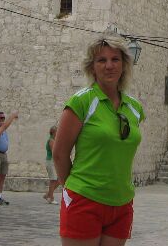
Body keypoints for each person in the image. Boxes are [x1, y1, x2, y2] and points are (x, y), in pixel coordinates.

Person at [53, 35, 145, 245]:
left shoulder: (134, 108)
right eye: (101, 60)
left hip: (122, 202)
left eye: (115, 59)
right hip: (84, 199)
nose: (109, 66)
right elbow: (59, 154)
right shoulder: (81, 101)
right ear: (92, 67)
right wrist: (74, 191)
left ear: (124, 65)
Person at [44, 125, 59, 204]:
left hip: (53, 162)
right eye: (57, 131)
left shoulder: (54, 140)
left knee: (58, 180)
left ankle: (48, 194)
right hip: (51, 161)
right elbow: (54, 152)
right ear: (53, 132)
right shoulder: (51, 141)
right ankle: (51, 198)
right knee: (53, 180)